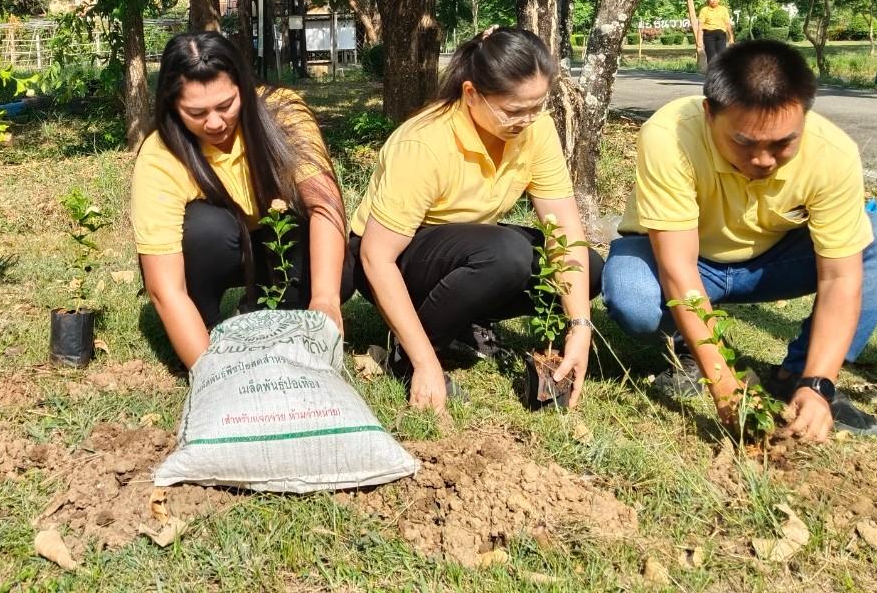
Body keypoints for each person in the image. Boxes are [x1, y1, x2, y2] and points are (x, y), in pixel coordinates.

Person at [603, 40, 877, 440]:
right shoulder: (670, 136)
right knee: (633, 294)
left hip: (772, 263)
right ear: (708, 114)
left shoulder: (833, 153)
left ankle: (798, 376)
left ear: (805, 116)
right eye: (745, 143)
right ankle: (689, 351)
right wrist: (723, 383)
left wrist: (819, 382)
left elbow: (841, 277)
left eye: (783, 143)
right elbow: (678, 268)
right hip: (688, 260)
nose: (764, 159)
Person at [353, 27, 601, 412]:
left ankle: (462, 323)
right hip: (396, 257)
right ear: (471, 94)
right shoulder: (425, 142)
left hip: (467, 248)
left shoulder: (536, 128)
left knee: (590, 269)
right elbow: (375, 256)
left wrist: (580, 326)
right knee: (507, 255)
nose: (527, 120)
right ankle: (410, 353)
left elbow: (565, 228)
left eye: (537, 106)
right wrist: (424, 362)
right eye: (514, 110)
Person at [131, 31, 353, 368]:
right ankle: (205, 327)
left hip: (272, 240)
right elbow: (165, 287)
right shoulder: (161, 155)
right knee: (207, 228)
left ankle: (260, 311)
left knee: (341, 272)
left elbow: (324, 205)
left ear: (245, 89)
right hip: (217, 249)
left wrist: (325, 300)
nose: (216, 122)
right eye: (196, 112)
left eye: (226, 105)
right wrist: (211, 373)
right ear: (173, 106)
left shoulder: (283, 114)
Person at [697, 0, 733, 64]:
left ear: (718, 0)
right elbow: (700, 26)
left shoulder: (723, 9)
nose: (713, 0)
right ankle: (711, 73)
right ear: (708, 1)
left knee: (722, 56)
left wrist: (731, 37)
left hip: (721, 35)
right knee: (711, 56)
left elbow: (727, 24)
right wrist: (699, 40)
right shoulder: (704, 10)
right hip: (709, 35)